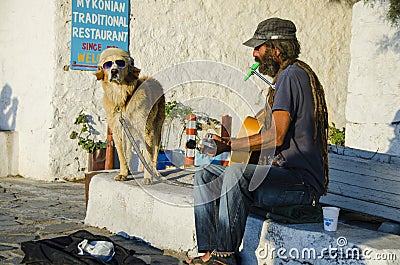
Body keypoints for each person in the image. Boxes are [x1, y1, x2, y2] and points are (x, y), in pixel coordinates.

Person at [185, 17, 329, 265]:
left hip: (300, 185)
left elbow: (276, 136)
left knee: (237, 174)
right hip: (282, 179)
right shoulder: (289, 76)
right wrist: (229, 141)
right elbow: (268, 127)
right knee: (206, 176)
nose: (254, 53)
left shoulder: (290, 76)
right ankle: (208, 251)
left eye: (258, 47)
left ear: (276, 48)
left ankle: (224, 256)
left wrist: (228, 145)